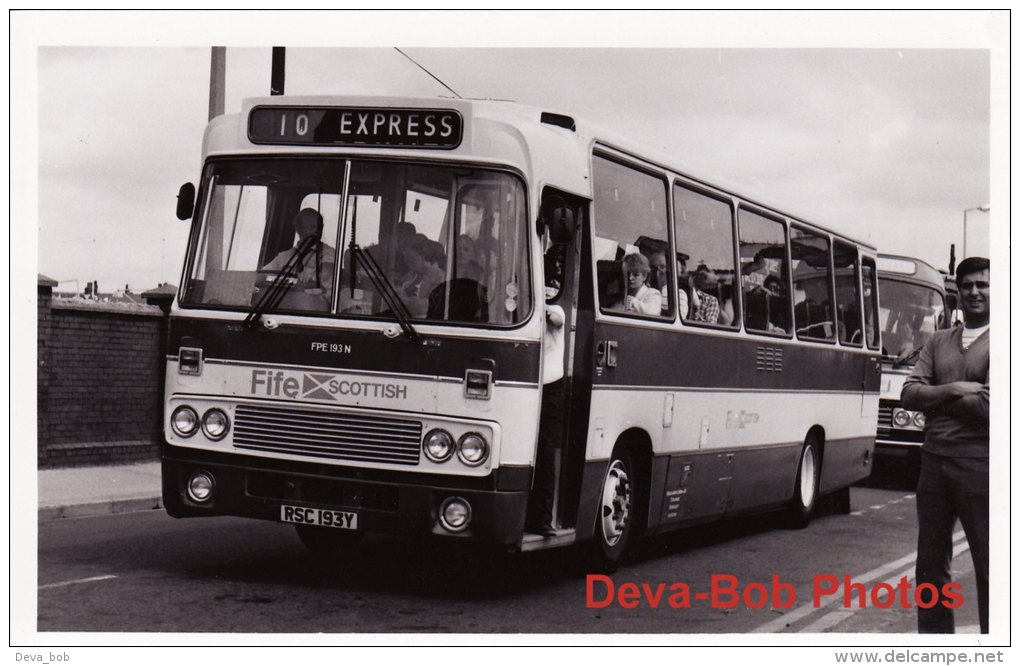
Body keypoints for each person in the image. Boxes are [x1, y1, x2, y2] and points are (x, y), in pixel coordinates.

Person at [901, 257, 990, 634]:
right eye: (967, 285)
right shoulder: (939, 341)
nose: (974, 292)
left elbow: (989, 407)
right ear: (957, 291)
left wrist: (933, 397)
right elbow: (908, 393)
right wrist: (955, 388)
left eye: (983, 284)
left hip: (982, 467)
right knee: (930, 571)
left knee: (991, 568)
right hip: (934, 466)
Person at [528, 254, 566, 536]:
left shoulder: (555, 304)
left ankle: (542, 519)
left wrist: (540, 298)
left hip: (550, 386)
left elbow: (555, 318)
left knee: (544, 451)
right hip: (527, 384)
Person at [260, 208, 335, 309]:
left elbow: (326, 272)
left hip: (317, 306)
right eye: (312, 227)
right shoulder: (284, 257)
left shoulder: (329, 253)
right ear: (299, 229)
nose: (317, 231)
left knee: (300, 301)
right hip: (286, 303)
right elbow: (263, 274)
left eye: (319, 227)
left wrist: (310, 278)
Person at [649, 251, 671, 315]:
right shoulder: (646, 292)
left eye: (662, 267)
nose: (658, 271)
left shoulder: (675, 294)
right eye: (654, 268)